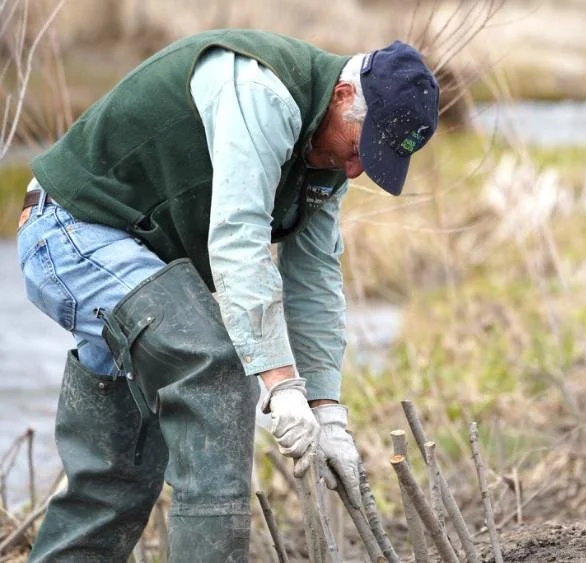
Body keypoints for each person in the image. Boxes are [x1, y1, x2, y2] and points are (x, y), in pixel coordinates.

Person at [16, 28, 439, 561]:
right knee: (215, 364)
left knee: (118, 476)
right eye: (360, 147)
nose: (355, 169)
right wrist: (281, 385)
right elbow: (238, 240)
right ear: (344, 94)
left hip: (142, 262)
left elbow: (313, 284)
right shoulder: (263, 93)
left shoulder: (325, 164)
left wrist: (326, 409)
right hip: (72, 232)